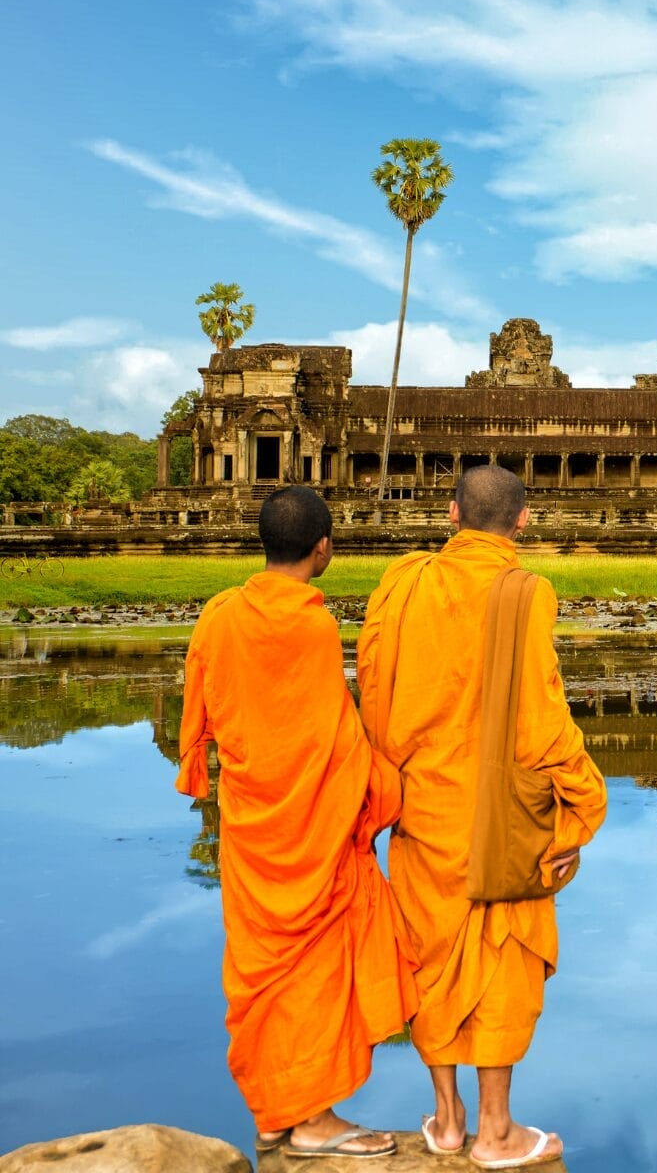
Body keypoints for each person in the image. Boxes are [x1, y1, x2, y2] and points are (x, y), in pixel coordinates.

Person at [357, 467, 606, 1169]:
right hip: (499, 816)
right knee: (500, 953)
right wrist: (584, 804)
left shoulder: (403, 583)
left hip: (422, 803)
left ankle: (445, 1116)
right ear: (523, 522)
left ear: (452, 512)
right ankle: (495, 1129)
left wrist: (389, 779)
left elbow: (373, 688)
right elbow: (541, 719)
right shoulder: (525, 592)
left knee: (431, 952)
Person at [175, 486, 416, 1159]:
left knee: (266, 971)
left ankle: (279, 1112)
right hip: (308, 831)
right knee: (312, 969)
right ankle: (309, 1118)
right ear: (323, 548)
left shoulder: (220, 616)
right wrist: (389, 785)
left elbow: (205, 715)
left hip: (253, 826)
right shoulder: (310, 626)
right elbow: (332, 739)